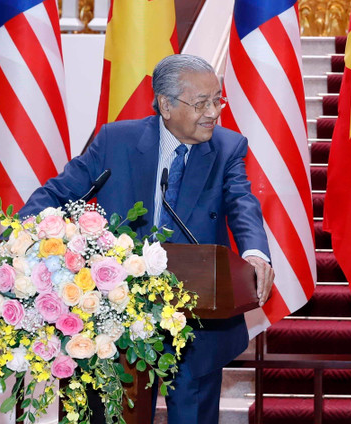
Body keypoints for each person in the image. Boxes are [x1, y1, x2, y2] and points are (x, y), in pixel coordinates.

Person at [20, 54, 274, 424]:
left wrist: (254, 252)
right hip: (113, 317)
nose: (213, 112)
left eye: (217, 99)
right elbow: (58, 194)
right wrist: (18, 241)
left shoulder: (228, 147)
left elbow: (242, 203)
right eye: (201, 102)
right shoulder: (114, 141)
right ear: (166, 104)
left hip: (196, 322)